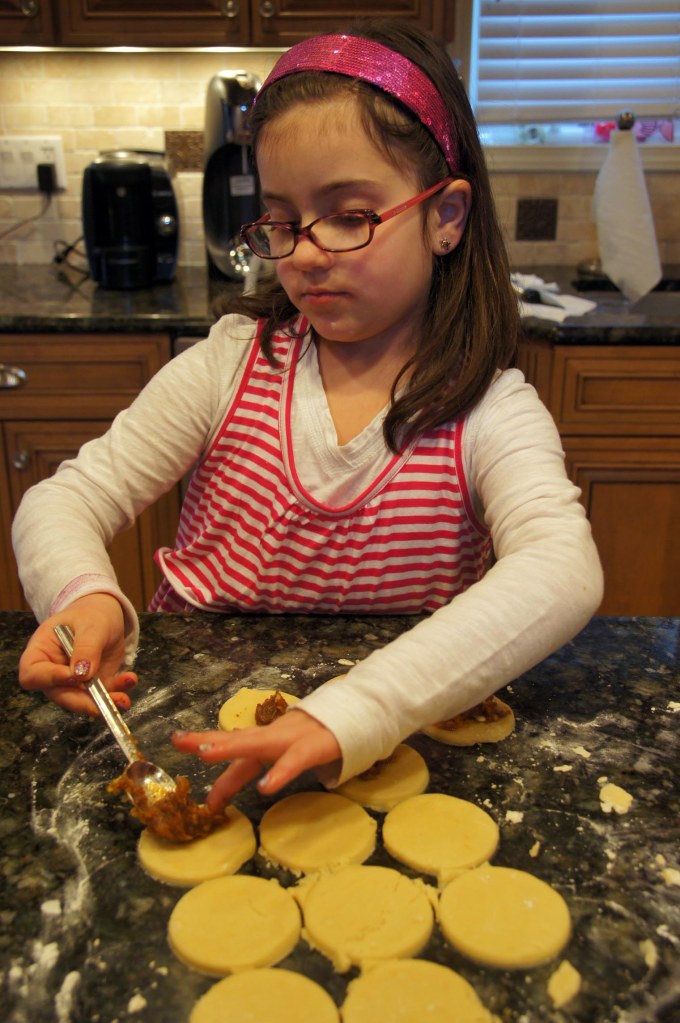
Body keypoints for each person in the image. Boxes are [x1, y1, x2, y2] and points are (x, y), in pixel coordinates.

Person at [13, 18, 603, 810]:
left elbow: (562, 569)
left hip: (386, 742)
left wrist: (359, 709)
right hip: (192, 738)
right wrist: (82, 594)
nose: (306, 254)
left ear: (446, 217)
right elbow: (62, 500)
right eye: (282, 221)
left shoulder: (488, 410)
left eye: (350, 215)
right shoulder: (230, 366)